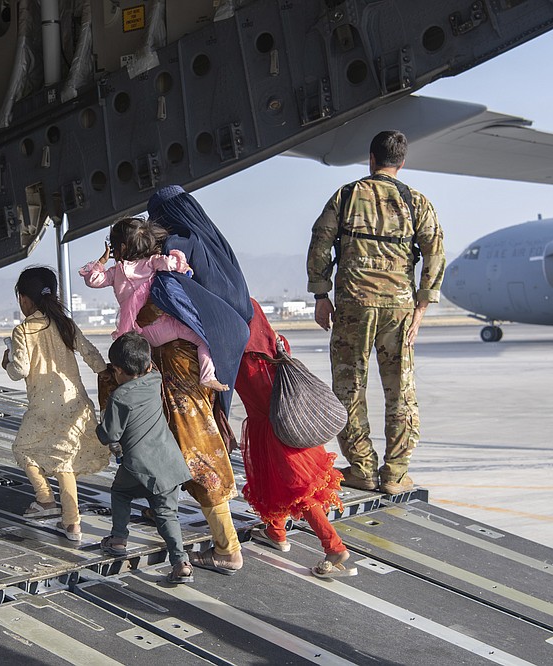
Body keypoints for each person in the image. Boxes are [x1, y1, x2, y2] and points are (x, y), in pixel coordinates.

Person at [97, 185, 251, 576]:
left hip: (178, 364)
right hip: (190, 357)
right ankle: (158, 506)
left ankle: (227, 548)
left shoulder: (178, 245)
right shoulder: (210, 244)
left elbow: (167, 296)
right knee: (174, 437)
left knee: (194, 446)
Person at [306, 129, 446, 495]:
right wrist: (422, 306)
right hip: (398, 309)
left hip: (353, 306)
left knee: (349, 389)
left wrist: (321, 294)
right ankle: (395, 473)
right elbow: (435, 253)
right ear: (402, 162)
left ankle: (362, 468)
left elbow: (320, 241)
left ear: (371, 159)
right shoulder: (417, 202)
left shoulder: (347, 195)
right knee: (401, 390)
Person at [237, 302, 355, 578]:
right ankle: (275, 532)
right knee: (277, 481)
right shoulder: (275, 344)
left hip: (274, 433)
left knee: (298, 489)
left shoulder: (242, 359)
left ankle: (333, 545)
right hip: (292, 427)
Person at [1, 266, 110, 542]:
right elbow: (90, 353)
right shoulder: (65, 323)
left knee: (23, 449)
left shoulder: (23, 331)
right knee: (64, 462)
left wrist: (7, 363)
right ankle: (71, 523)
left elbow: (20, 370)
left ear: (24, 299)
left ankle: (46, 500)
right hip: (75, 402)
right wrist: (105, 373)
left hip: (43, 407)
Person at [79, 217, 228, 390]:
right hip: (167, 327)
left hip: (140, 334)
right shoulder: (152, 262)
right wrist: (184, 267)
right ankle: (207, 376)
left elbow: (93, 280)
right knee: (203, 341)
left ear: (122, 248)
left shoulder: (115, 272)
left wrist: (102, 261)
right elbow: (171, 263)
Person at [97, 332, 194, 584]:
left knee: (120, 493)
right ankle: (181, 561)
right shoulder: (155, 378)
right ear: (149, 365)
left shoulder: (119, 397)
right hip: (169, 462)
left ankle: (118, 539)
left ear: (117, 369)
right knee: (166, 514)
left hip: (138, 466)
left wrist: (99, 422)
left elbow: (109, 434)